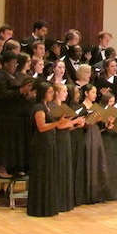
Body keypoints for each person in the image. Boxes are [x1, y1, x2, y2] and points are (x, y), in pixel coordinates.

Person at [27, 82, 70, 217]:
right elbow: (41, 127)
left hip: (49, 142)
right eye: (50, 92)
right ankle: (39, 208)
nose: (52, 94)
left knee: (49, 174)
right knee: (42, 174)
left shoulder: (47, 107)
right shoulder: (39, 107)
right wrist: (58, 123)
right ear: (43, 93)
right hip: (41, 144)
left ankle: (48, 206)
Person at [50, 83, 84, 212]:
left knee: (65, 168)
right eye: (63, 91)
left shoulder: (62, 106)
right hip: (58, 139)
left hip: (66, 138)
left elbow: (67, 126)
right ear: (56, 93)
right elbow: (59, 126)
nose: (66, 93)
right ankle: (58, 201)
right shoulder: (53, 106)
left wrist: (76, 124)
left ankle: (65, 201)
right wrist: (75, 121)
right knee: (59, 168)